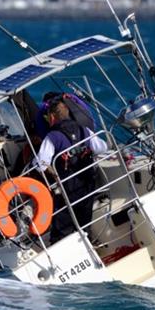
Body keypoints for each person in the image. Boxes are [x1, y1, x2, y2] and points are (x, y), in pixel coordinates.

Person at [33, 96, 108, 243]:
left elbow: (39, 164)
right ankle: (88, 240)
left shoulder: (53, 137)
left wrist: (51, 171)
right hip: (87, 184)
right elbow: (102, 148)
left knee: (62, 228)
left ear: (52, 117)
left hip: (68, 188)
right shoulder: (84, 130)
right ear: (67, 113)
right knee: (84, 220)